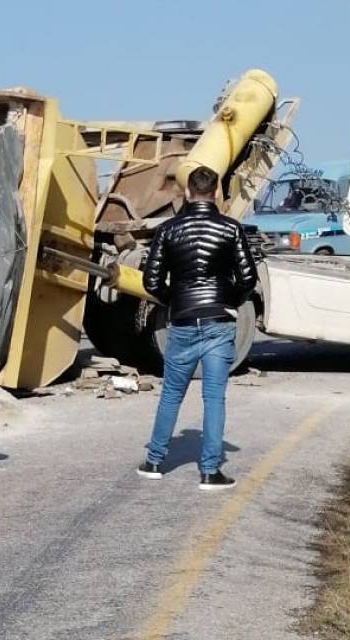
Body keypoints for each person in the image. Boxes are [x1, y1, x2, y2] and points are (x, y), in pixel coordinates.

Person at [137, 166, 258, 490]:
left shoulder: (168, 230)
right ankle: (209, 471)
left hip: (183, 323)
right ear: (216, 192)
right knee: (214, 398)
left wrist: (175, 299)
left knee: (172, 394)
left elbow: (150, 281)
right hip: (219, 324)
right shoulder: (231, 229)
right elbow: (249, 279)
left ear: (187, 193)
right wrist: (227, 299)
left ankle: (154, 461)